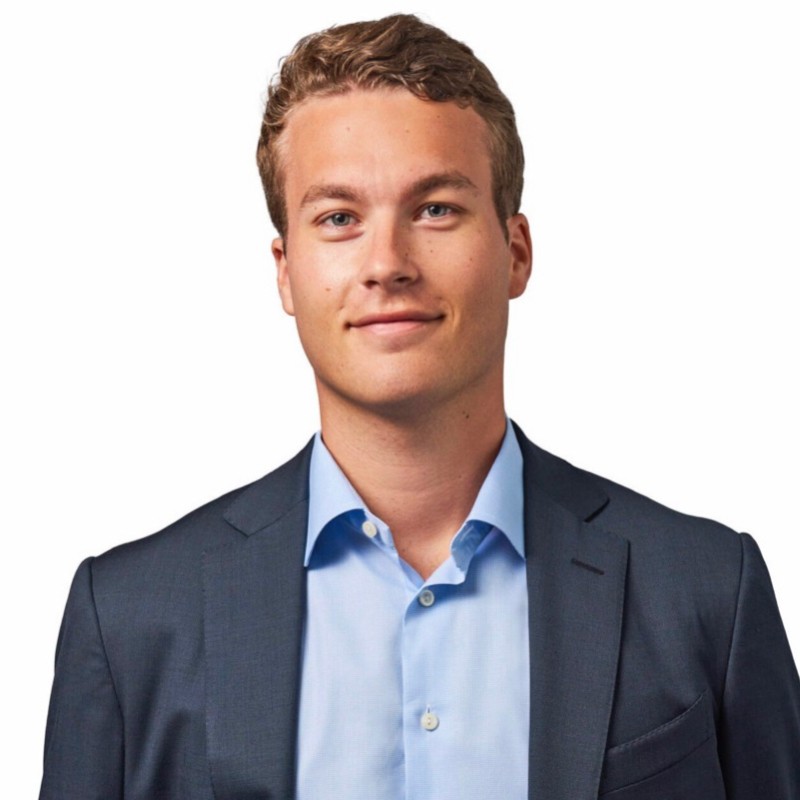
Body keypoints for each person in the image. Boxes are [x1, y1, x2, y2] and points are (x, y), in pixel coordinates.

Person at [39, 13, 799, 800]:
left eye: (435, 208)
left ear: (516, 252)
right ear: (286, 272)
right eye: (338, 218)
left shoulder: (708, 593)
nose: (387, 264)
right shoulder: (128, 620)